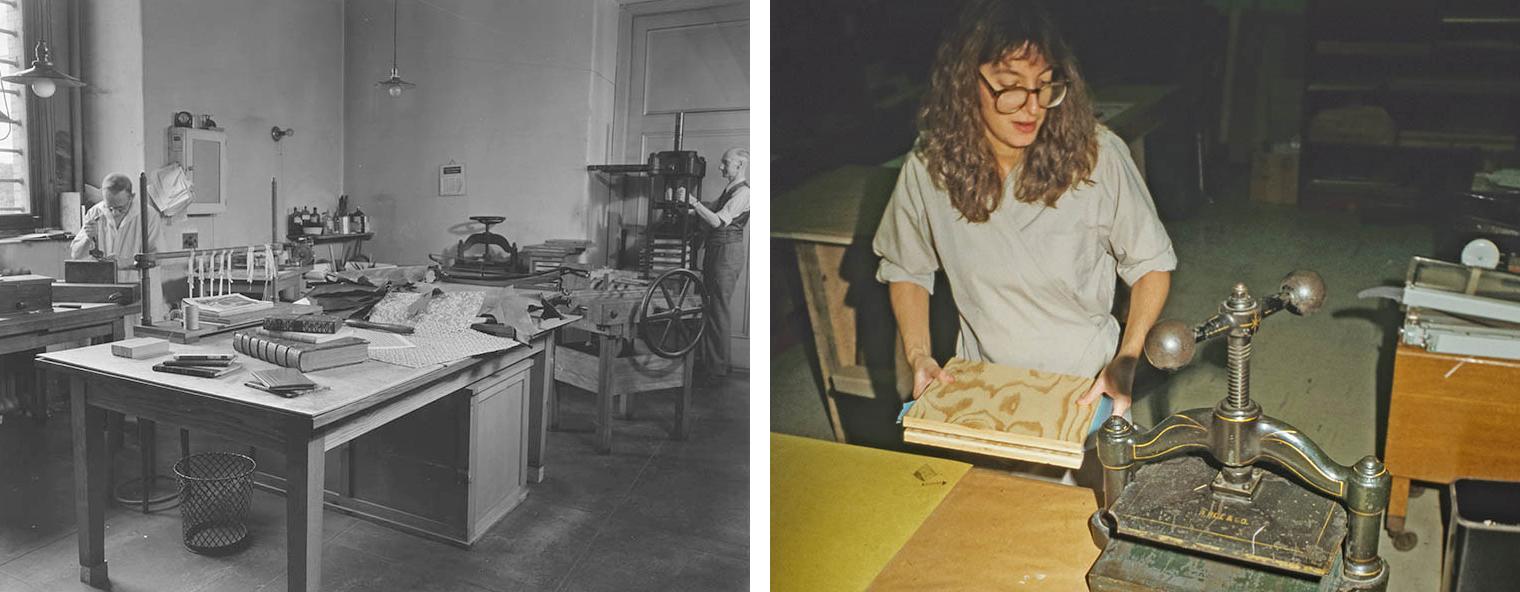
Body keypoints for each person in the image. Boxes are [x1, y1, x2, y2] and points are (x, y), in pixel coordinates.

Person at [874, 0, 1176, 418]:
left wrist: (1125, 359)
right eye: (1011, 85)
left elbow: (1151, 264)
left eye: (1045, 85)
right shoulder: (929, 169)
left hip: (1086, 380)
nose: (1033, 107)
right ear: (965, 84)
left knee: (1086, 483)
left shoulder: (1096, 156)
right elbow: (907, 268)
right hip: (982, 383)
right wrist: (919, 355)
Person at [685, 147, 750, 383]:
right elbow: (711, 211)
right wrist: (692, 207)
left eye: (726, 163)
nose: (721, 167)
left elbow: (717, 221)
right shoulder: (730, 190)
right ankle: (713, 363)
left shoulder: (744, 193)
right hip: (717, 252)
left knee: (718, 309)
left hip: (727, 254)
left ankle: (718, 368)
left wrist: (693, 202)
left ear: (740, 165)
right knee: (711, 307)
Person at [69, 173, 163, 270]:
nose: (115, 213)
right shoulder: (95, 213)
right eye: (110, 208)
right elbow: (76, 255)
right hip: (106, 282)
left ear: (131, 197)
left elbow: (158, 258)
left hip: (140, 283)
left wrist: (124, 263)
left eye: (120, 208)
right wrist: (87, 239)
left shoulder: (148, 215)